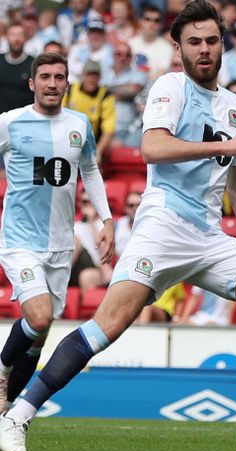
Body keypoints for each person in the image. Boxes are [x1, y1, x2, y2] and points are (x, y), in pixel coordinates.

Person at [0, 1, 236, 451]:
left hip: (208, 237)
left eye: (211, 41)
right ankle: (19, 414)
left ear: (223, 45)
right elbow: (152, 147)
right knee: (107, 326)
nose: (204, 50)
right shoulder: (171, 87)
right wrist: (223, 145)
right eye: (194, 42)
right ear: (179, 48)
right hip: (163, 226)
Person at [0, 52, 114, 416]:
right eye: (45, 77)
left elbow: (91, 172)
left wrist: (107, 220)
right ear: (32, 83)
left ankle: (6, 409)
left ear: (68, 83)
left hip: (61, 245)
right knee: (37, 317)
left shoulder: (80, 124)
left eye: (59, 77)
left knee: (40, 334)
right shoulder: (9, 122)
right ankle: (2, 368)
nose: (52, 83)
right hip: (19, 240)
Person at [63, 61, 116, 165]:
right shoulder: (70, 90)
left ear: (100, 77)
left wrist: (98, 151)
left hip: (92, 142)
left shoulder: (105, 95)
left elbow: (109, 128)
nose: (91, 79)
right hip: (67, 140)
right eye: (89, 75)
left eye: (95, 76)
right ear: (82, 75)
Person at [104, 42, 148, 146]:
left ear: (131, 58)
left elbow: (133, 89)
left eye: (127, 55)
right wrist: (121, 92)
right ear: (113, 55)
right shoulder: (103, 72)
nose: (123, 58)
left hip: (124, 129)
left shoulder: (138, 74)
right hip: (101, 126)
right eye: (119, 54)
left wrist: (104, 91)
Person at [73, 192, 113, 294]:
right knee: (73, 239)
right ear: (80, 204)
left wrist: (90, 221)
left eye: (92, 202)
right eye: (85, 202)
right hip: (74, 265)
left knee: (86, 276)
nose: (88, 205)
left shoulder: (105, 225)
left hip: (96, 265)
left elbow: (104, 251)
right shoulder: (75, 225)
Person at [130, 3, 174, 79]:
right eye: (147, 19)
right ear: (140, 22)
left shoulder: (167, 48)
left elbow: (160, 75)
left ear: (161, 24)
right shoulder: (130, 44)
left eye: (156, 20)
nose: (152, 23)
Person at [0, 24, 35, 114]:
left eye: (20, 35)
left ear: (26, 38)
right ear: (6, 37)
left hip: (24, 120)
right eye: (13, 35)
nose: (16, 39)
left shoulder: (33, 64)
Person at [66, 19, 113, 84]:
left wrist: (81, 66)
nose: (95, 36)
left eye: (98, 33)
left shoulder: (110, 52)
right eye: (92, 32)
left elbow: (104, 72)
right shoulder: (78, 48)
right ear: (87, 34)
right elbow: (68, 66)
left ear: (104, 35)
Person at [115, 191, 140, 256]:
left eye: (139, 205)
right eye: (131, 205)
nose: (135, 209)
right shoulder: (116, 225)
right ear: (125, 208)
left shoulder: (151, 225)